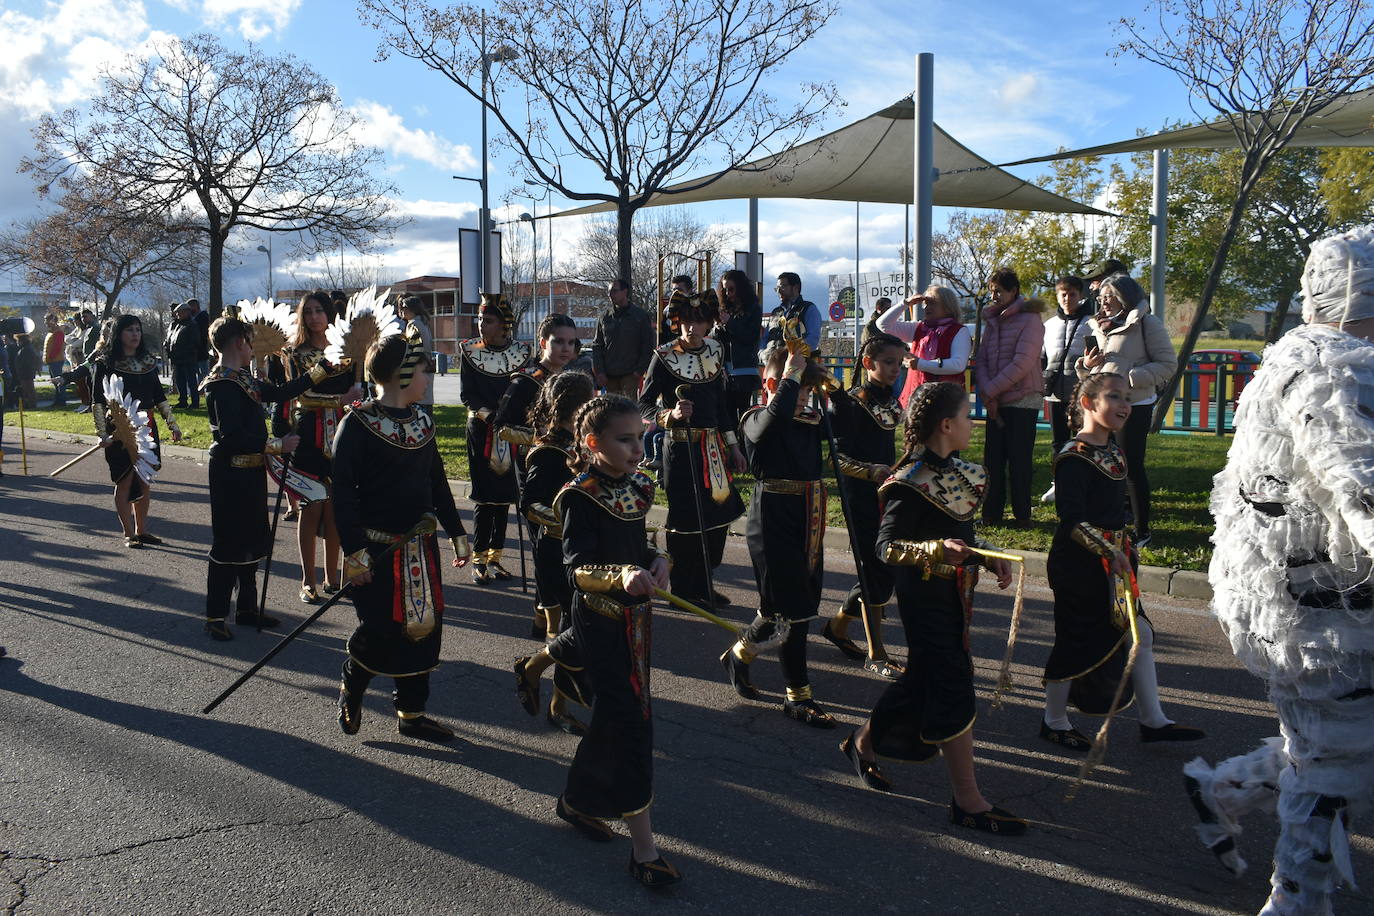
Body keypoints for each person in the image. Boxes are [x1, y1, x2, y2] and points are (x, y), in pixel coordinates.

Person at [1186, 226, 1374, 912]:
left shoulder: (1308, 355)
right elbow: (1362, 483)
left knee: (1337, 747)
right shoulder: (1333, 367)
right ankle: (1295, 902)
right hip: (1316, 615)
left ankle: (1226, 787)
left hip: (1311, 601)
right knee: (1335, 759)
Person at [838, 381, 1027, 836]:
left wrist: (988, 555)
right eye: (967, 415)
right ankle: (968, 800)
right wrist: (935, 551)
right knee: (952, 684)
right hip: (924, 598)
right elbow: (885, 548)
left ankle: (862, 742)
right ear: (947, 425)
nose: (973, 422)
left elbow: (960, 532)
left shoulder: (964, 473)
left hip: (957, 596)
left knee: (920, 681)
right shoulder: (909, 482)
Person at [550, 394, 679, 887]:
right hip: (601, 622)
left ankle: (577, 799)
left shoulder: (637, 486)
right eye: (625, 440)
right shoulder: (578, 495)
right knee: (631, 723)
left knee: (613, 716)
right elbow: (576, 566)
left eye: (640, 437)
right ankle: (644, 850)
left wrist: (656, 557)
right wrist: (620, 573)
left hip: (637, 620)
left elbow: (637, 542)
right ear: (592, 444)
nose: (637, 449)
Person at [1040, 372, 1203, 751]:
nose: (1126, 405)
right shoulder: (1072, 457)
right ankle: (1054, 720)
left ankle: (1153, 721)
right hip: (1078, 564)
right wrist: (1110, 551)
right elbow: (1073, 521)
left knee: (1139, 633)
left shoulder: (1113, 450)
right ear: (1087, 404)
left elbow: (1118, 511)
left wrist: (1124, 548)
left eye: (1128, 397)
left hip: (1115, 561)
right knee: (1075, 640)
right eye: (1115, 396)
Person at [333, 333, 471, 743]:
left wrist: (458, 533)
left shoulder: (423, 422)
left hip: (419, 549)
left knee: (423, 629)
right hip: (377, 550)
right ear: (402, 373)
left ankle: (412, 712)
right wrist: (354, 552)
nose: (429, 375)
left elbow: (437, 482)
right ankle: (352, 687)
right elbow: (342, 493)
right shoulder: (356, 425)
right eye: (425, 368)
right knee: (380, 629)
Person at [201, 316, 340, 641]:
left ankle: (247, 609)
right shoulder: (221, 383)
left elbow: (281, 392)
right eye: (249, 343)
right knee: (228, 544)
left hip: (250, 470)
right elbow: (230, 436)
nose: (252, 349)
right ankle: (215, 615)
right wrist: (277, 445)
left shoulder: (243, 379)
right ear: (239, 343)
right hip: (229, 474)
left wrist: (322, 368)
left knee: (252, 539)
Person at [720, 344, 836, 727]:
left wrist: (825, 384)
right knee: (795, 611)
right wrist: (790, 376)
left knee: (778, 609)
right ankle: (797, 695)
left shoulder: (810, 420)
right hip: (773, 519)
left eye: (805, 393)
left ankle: (740, 653)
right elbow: (774, 418)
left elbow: (850, 425)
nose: (801, 399)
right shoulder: (755, 418)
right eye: (796, 390)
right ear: (772, 383)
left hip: (810, 517)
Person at [638, 290, 745, 611]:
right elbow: (642, 403)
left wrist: (734, 446)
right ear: (677, 322)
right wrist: (667, 416)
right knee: (686, 519)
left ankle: (704, 582)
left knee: (720, 514)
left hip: (714, 449)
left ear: (709, 323)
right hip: (680, 449)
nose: (691, 328)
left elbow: (722, 406)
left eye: (698, 322)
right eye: (685, 322)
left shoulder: (716, 349)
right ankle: (685, 590)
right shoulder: (664, 355)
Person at [513, 370, 597, 735]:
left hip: (580, 550)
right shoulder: (548, 450)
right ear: (574, 407)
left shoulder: (579, 446)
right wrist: (564, 521)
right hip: (554, 553)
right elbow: (530, 502)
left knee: (578, 634)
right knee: (564, 632)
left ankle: (545, 687)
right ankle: (551, 698)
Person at [820, 332, 906, 679]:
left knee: (885, 570)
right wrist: (871, 471)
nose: (895, 370)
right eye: (888, 363)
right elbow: (836, 459)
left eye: (900, 364)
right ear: (868, 363)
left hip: (887, 494)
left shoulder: (890, 401)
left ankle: (838, 626)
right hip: (860, 496)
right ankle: (877, 652)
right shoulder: (850, 403)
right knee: (873, 570)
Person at [491, 311, 581, 630]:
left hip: (570, 468)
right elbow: (501, 427)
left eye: (571, 342)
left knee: (565, 543)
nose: (565, 348)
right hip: (537, 468)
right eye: (559, 341)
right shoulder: (525, 381)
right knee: (545, 543)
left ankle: (562, 611)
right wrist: (542, 435)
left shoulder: (574, 381)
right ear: (543, 342)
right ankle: (545, 616)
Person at [1074, 273, 1175, 547]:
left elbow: (1168, 364)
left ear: (1125, 297)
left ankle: (1142, 532)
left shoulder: (1146, 322)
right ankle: (1109, 522)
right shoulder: (1098, 325)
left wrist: (1128, 378)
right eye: (1101, 297)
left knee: (1130, 468)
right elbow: (1091, 371)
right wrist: (1085, 365)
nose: (1103, 302)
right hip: (1101, 407)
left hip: (1134, 405)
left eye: (1109, 297)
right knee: (1103, 466)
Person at [284, 292, 365, 603]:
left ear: (330, 314)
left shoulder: (348, 350)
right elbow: (300, 397)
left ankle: (333, 577)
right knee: (311, 505)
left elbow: (356, 391)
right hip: (309, 434)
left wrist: (357, 393)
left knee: (336, 507)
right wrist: (337, 401)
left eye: (320, 311)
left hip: (344, 433)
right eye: (309, 312)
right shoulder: (294, 352)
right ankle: (308, 579)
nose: (315, 317)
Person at [90, 315, 183, 547]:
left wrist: (173, 424)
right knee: (124, 480)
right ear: (118, 333)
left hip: (147, 428)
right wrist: (102, 433)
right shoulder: (104, 363)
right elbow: (98, 401)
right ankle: (129, 533)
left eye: (138, 330)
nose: (135, 334)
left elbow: (159, 397)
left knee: (144, 480)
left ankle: (142, 530)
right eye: (130, 330)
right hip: (119, 430)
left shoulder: (148, 362)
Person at [459, 292, 532, 584]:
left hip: (510, 432)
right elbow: (468, 395)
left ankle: (496, 557)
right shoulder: (469, 351)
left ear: (503, 324)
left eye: (487, 320)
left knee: (505, 497)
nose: (480, 325)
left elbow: (526, 391)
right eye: (479, 319)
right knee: (484, 496)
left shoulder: (521, 353)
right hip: (481, 430)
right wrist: (488, 415)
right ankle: (478, 558)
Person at [975, 268, 1045, 529]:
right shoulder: (992, 320)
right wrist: (988, 391)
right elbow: (981, 358)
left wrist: (991, 390)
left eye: (999, 291)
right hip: (996, 398)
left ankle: (1022, 514)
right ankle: (991, 512)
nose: (994, 295)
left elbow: (1023, 362)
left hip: (1022, 398)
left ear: (1013, 291)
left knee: (1019, 459)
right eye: (992, 290)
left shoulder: (1030, 319)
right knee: (992, 459)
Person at [1040, 276, 1094, 503]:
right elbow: (1041, 357)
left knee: (1083, 440)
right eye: (1063, 293)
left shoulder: (1091, 323)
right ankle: (1058, 484)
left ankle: (1085, 485)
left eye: (1072, 294)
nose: (1067, 298)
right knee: (1058, 442)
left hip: (1083, 393)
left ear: (1081, 296)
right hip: (1055, 393)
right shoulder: (1049, 325)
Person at [876, 285, 971, 406]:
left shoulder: (960, 331)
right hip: (917, 398)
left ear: (948, 306)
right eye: (925, 303)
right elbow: (883, 324)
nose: (926, 307)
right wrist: (905, 303)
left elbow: (958, 365)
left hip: (946, 400)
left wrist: (920, 364)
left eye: (932, 303)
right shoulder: (918, 327)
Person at [590, 279, 655, 397]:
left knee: (628, 411)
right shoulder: (604, 317)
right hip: (609, 376)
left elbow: (647, 345)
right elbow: (597, 345)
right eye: (609, 292)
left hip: (630, 374)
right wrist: (599, 372)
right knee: (612, 410)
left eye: (614, 291)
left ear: (625, 292)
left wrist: (639, 371)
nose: (610, 295)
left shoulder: (639, 316)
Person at [716, 268, 764, 416]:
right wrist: (718, 327)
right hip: (725, 368)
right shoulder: (725, 309)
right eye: (725, 290)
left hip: (744, 368)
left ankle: (743, 439)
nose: (728, 294)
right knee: (727, 413)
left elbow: (750, 336)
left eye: (731, 289)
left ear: (741, 288)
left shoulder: (753, 309)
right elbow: (715, 338)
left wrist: (729, 323)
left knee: (743, 412)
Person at [761, 272, 821, 356]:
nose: (778, 291)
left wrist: (792, 355)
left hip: (799, 364)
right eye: (777, 288)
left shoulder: (808, 309)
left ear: (795, 287)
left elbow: (813, 338)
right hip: (772, 363)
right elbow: (765, 338)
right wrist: (762, 353)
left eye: (782, 287)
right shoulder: (776, 312)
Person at [399, 295, 435, 415]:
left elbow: (412, 350)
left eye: (404, 307)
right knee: (425, 400)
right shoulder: (423, 322)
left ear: (412, 309)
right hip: (426, 366)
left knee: (418, 406)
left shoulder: (413, 324)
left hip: (417, 367)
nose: (402, 310)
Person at [165, 303, 201, 409]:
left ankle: (195, 402)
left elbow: (195, 341)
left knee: (191, 381)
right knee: (180, 381)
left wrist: (185, 351)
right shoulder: (179, 324)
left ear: (186, 312)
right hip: (178, 358)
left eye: (179, 312)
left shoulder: (192, 325)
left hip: (188, 358)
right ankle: (183, 401)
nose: (177, 314)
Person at [43, 313, 66, 407]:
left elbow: (57, 347)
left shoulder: (58, 332)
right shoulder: (51, 332)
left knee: (59, 381)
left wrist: (50, 357)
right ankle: (58, 400)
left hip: (56, 360)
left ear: (53, 321)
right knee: (55, 382)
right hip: (52, 361)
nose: (46, 322)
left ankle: (61, 400)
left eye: (47, 320)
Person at [13, 333, 39, 410]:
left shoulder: (26, 349)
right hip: (26, 373)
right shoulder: (26, 348)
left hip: (26, 373)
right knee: (27, 389)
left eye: (18, 341)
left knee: (29, 389)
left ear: (22, 341)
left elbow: (26, 363)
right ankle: (29, 403)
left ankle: (32, 404)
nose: (17, 343)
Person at [187, 298, 210, 383]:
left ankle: (205, 388)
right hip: (194, 351)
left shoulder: (202, 317)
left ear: (195, 306)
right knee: (198, 372)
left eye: (190, 307)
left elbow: (202, 334)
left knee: (203, 371)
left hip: (201, 350)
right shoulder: (192, 319)